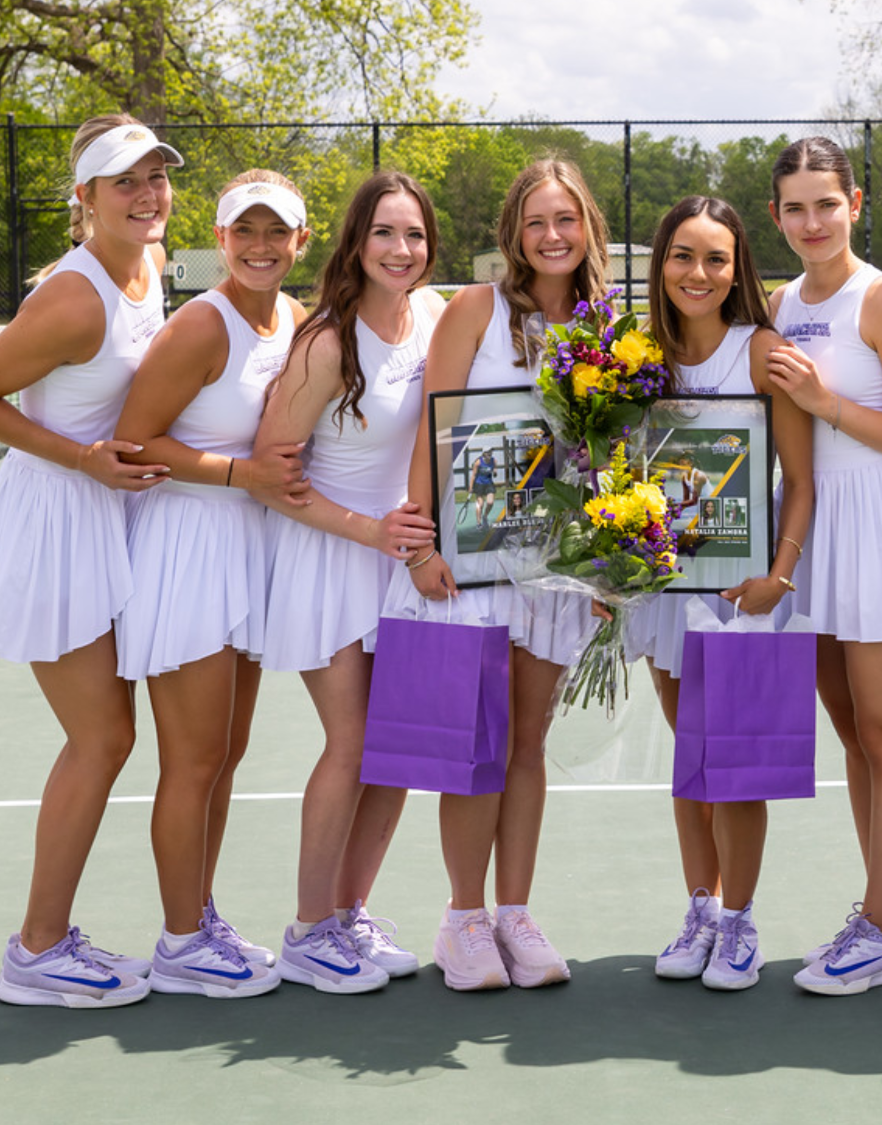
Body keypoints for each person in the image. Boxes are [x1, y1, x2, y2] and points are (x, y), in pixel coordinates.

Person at [0, 114, 179, 1009]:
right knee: (105, 736)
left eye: (156, 175)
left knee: (111, 735)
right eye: (124, 180)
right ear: (84, 198)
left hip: (114, 517)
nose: (147, 193)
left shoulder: (150, 266)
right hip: (55, 522)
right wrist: (82, 457)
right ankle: (37, 950)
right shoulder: (74, 298)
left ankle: (49, 940)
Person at [395, 158, 605, 991]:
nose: (551, 237)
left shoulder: (603, 324)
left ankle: (514, 912)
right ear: (513, 235)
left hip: (553, 568)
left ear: (586, 226)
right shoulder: (474, 311)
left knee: (528, 741)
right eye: (535, 223)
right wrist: (420, 543)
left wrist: (605, 561)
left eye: (565, 220)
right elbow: (432, 429)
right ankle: (462, 920)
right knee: (474, 747)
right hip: (470, 566)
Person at [112, 170, 314, 998]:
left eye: (279, 232)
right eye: (245, 231)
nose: (262, 246)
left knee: (224, 756)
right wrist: (242, 475)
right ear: (220, 239)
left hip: (247, 549)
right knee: (192, 760)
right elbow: (134, 441)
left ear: (303, 241)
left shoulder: (294, 318)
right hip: (188, 550)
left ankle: (198, 912)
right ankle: (180, 939)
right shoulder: (201, 324)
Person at [253, 171, 447, 993]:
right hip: (331, 558)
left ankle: (348, 914)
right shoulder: (326, 342)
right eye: (384, 235)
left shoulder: (435, 318)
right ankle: (307, 930)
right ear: (355, 245)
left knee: (394, 752)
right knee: (351, 742)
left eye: (413, 235)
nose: (401, 250)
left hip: (401, 567)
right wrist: (372, 531)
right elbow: (272, 476)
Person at [766, 137, 882, 995]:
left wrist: (824, 401)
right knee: (849, 729)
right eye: (795, 207)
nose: (812, 222)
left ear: (856, 203)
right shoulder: (779, 299)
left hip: (881, 519)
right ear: (776, 215)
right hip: (813, 525)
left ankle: (878, 929)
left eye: (825, 204)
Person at [629, 196, 812, 992]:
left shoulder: (762, 349)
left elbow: (801, 481)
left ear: (738, 270)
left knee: (733, 765)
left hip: (742, 593)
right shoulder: (633, 358)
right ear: (660, 263)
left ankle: (739, 920)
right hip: (666, 589)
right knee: (692, 757)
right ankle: (700, 907)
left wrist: (780, 572)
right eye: (681, 255)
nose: (696, 273)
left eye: (715, 258)